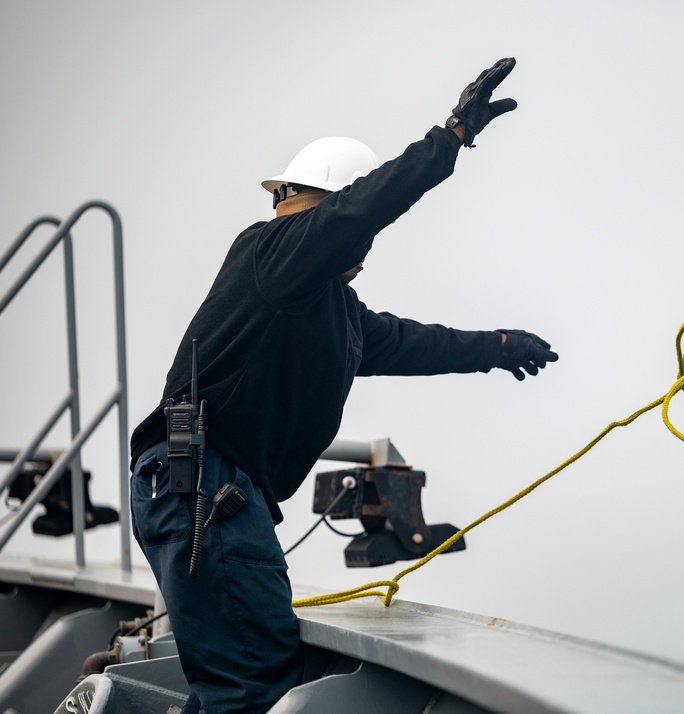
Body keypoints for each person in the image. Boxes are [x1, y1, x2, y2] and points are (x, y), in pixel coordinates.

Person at [128, 58, 558, 714]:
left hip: (208, 497)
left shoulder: (326, 310)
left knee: (232, 682)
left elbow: (413, 342)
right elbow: (361, 210)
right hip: (205, 492)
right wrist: (451, 137)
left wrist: (496, 348)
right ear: (325, 213)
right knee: (252, 685)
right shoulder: (274, 253)